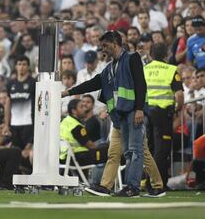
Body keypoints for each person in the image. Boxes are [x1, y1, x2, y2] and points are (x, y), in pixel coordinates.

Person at [63, 31, 147, 197]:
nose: (103, 49)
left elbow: (140, 84)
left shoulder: (132, 58)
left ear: (115, 43)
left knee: (135, 151)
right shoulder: (110, 67)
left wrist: (139, 109)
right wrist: (69, 92)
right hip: (120, 114)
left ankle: (133, 187)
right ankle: (125, 187)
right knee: (127, 152)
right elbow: (93, 83)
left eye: (105, 45)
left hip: (132, 111)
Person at [144, 42, 184, 187]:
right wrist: (178, 109)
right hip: (162, 113)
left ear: (150, 54)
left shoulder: (144, 69)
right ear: (167, 54)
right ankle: (155, 182)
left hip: (146, 113)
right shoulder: (171, 69)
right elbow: (179, 95)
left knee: (151, 148)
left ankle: (148, 181)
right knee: (162, 149)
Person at [59, 99, 108, 167]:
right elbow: (90, 146)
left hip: (64, 157)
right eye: (81, 107)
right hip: (78, 158)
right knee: (111, 151)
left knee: (104, 146)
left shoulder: (64, 121)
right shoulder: (76, 126)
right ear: (74, 111)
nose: (84, 109)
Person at [4, 56, 35, 156]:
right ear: (16, 66)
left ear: (28, 67)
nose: (21, 67)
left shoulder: (33, 83)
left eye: (24, 64)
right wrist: (6, 124)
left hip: (29, 124)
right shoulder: (11, 84)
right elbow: (8, 104)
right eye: (19, 64)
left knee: (27, 152)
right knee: (16, 152)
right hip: (14, 124)